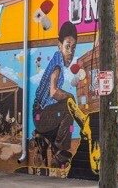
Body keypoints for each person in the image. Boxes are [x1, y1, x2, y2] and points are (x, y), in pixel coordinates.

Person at [32, 21, 88, 168]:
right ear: (59, 45)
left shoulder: (57, 61)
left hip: (41, 114)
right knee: (69, 105)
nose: (70, 52)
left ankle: (44, 139)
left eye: (73, 48)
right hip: (41, 115)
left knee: (62, 108)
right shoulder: (57, 64)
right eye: (67, 46)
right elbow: (53, 91)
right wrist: (70, 97)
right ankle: (60, 151)